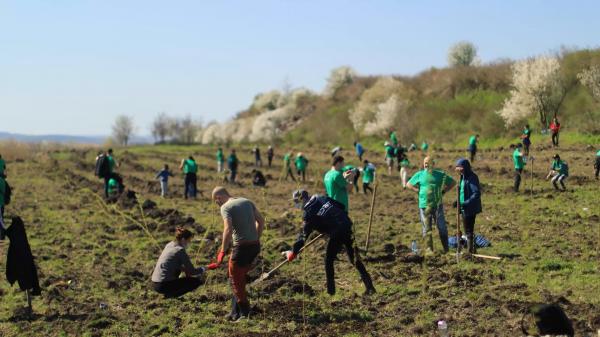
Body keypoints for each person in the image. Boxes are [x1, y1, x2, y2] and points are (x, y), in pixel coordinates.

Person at [283, 190, 376, 295]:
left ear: (302, 199)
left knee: (328, 261)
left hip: (337, 232)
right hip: (347, 224)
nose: (296, 204)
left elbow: (303, 236)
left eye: (296, 201)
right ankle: (370, 287)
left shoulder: (308, 213)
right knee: (353, 258)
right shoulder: (321, 197)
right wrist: (327, 223)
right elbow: (341, 206)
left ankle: (331, 292)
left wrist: (293, 251)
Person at [208, 187, 264, 321]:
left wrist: (222, 251)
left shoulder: (225, 207)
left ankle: (245, 314)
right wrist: (256, 238)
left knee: (235, 281)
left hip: (241, 248)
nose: (217, 204)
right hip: (255, 246)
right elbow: (261, 221)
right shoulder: (247, 201)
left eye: (216, 201)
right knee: (237, 277)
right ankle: (234, 312)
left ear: (219, 198)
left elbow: (227, 229)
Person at [407, 156, 456, 254]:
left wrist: (444, 191)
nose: (426, 165)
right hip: (424, 206)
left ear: (433, 164)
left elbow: (453, 182)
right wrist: (417, 190)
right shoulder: (419, 174)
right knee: (426, 228)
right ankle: (429, 250)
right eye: (425, 163)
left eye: (428, 163)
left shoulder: (440, 174)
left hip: (437, 205)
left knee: (442, 227)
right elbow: (408, 184)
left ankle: (446, 249)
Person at [151, 227, 205, 298]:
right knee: (197, 281)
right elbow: (193, 272)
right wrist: (206, 268)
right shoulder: (180, 250)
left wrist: (185, 270)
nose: (189, 243)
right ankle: (171, 295)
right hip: (164, 285)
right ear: (183, 240)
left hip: (155, 283)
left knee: (179, 271)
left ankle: (170, 293)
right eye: (189, 241)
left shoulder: (170, 244)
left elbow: (175, 265)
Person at [455, 158, 482, 254]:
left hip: (470, 208)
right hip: (463, 207)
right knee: (467, 230)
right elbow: (462, 191)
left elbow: (476, 193)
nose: (458, 170)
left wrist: (465, 203)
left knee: (469, 230)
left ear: (465, 167)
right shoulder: (463, 177)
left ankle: (470, 252)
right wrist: (457, 201)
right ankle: (472, 249)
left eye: (460, 168)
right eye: (457, 168)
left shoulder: (472, 177)